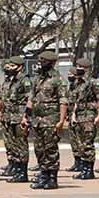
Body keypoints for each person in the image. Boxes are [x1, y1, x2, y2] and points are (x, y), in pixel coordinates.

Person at [23, 51, 68, 190]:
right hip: (37, 120)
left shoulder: (58, 79)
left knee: (50, 150)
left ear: (52, 63)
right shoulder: (38, 79)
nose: (40, 64)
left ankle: (52, 178)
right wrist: (25, 116)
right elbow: (31, 99)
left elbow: (63, 101)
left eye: (43, 61)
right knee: (39, 149)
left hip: (50, 120)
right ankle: (44, 176)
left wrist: (61, 121)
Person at [70, 57, 99, 180]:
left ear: (87, 69)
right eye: (77, 67)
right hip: (79, 116)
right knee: (80, 144)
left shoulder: (93, 82)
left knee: (87, 143)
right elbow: (76, 101)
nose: (78, 69)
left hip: (89, 116)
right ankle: (84, 168)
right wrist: (73, 115)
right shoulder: (77, 83)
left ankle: (89, 170)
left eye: (81, 67)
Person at [1, 56, 32, 183]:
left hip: (19, 117)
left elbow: (30, 99)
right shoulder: (11, 81)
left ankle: (22, 172)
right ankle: (16, 169)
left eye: (13, 66)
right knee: (13, 145)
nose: (10, 69)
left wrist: (26, 117)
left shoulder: (25, 81)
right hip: (10, 117)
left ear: (20, 67)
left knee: (21, 146)